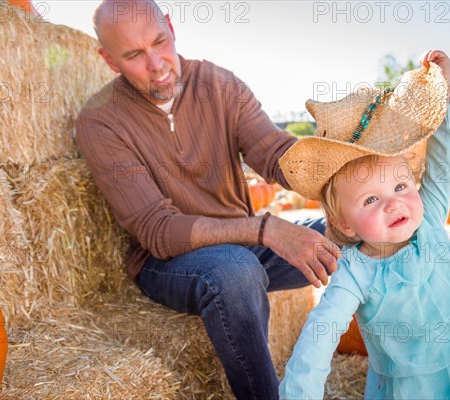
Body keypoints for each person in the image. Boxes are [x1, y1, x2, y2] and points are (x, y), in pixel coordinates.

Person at [75, 1, 341, 398]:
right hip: (171, 263)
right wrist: (265, 229)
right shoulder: (100, 122)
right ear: (110, 61)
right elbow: (158, 231)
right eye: (134, 55)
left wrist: (346, 166)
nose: (157, 64)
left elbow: (273, 152)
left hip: (246, 246)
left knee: (357, 232)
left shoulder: (218, 84)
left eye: (159, 42)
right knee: (234, 270)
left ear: (170, 26)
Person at [278, 50, 450, 399]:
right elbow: (321, 332)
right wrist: (299, 392)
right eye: (370, 199)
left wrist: (444, 93)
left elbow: (447, 165)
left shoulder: (427, 221)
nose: (394, 203)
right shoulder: (355, 272)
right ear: (346, 222)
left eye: (401, 186)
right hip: (413, 389)